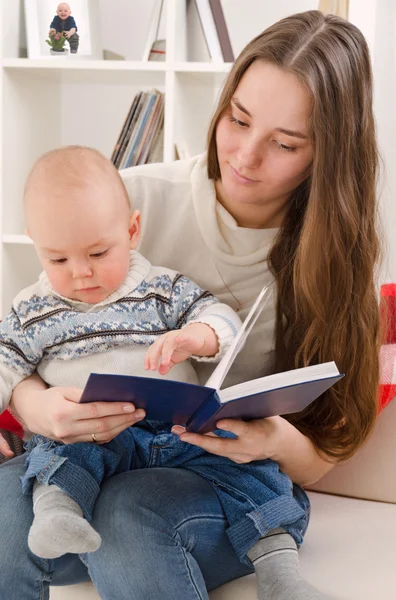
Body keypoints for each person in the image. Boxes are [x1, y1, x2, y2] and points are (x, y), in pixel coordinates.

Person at [0, 9, 381, 600]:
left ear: (327, 155)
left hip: (213, 483)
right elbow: (30, 333)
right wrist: (36, 406)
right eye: (238, 119)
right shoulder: (132, 198)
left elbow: (321, 454)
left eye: (283, 143)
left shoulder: (339, 261)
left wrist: (270, 439)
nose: (245, 157)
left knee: (131, 511)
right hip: (93, 463)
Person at [0, 145, 315, 596]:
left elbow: (219, 316)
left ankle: (282, 576)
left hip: (180, 435)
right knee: (58, 454)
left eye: (97, 252)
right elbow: (5, 361)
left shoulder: (160, 289)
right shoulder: (33, 310)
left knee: (249, 465)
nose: (81, 273)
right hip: (98, 438)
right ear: (36, 244)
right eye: (58, 259)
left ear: (132, 230)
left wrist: (198, 337)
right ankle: (58, 514)